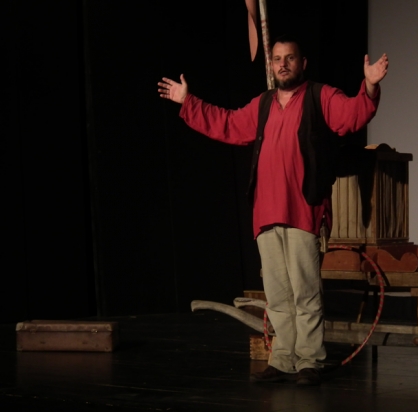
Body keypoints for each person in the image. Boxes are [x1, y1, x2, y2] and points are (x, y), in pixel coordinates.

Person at [158, 35, 388, 385]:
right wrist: (188, 102)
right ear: (271, 65)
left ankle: (309, 361)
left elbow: (352, 116)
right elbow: (228, 124)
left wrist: (369, 86)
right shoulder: (263, 104)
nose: (283, 64)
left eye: (290, 58)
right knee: (278, 296)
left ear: (302, 63)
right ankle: (282, 360)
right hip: (266, 214)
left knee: (305, 293)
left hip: (303, 211)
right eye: (277, 58)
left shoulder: (320, 96)